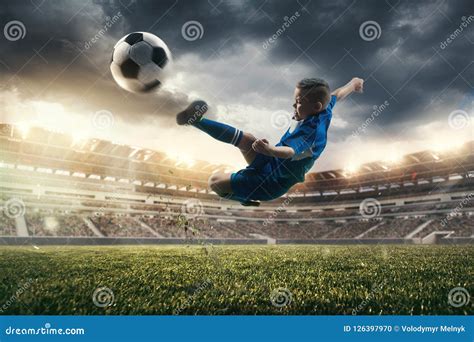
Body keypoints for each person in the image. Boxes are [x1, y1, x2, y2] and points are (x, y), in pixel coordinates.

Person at [176, 77, 364, 206]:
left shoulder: (312, 134)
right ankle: (194, 120)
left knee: (215, 181)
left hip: (272, 182)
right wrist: (354, 83)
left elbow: (290, 152)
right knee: (248, 139)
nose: (293, 105)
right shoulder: (324, 109)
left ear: (315, 106)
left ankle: (243, 198)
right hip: (272, 163)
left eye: (298, 101)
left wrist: (270, 150)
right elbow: (337, 95)